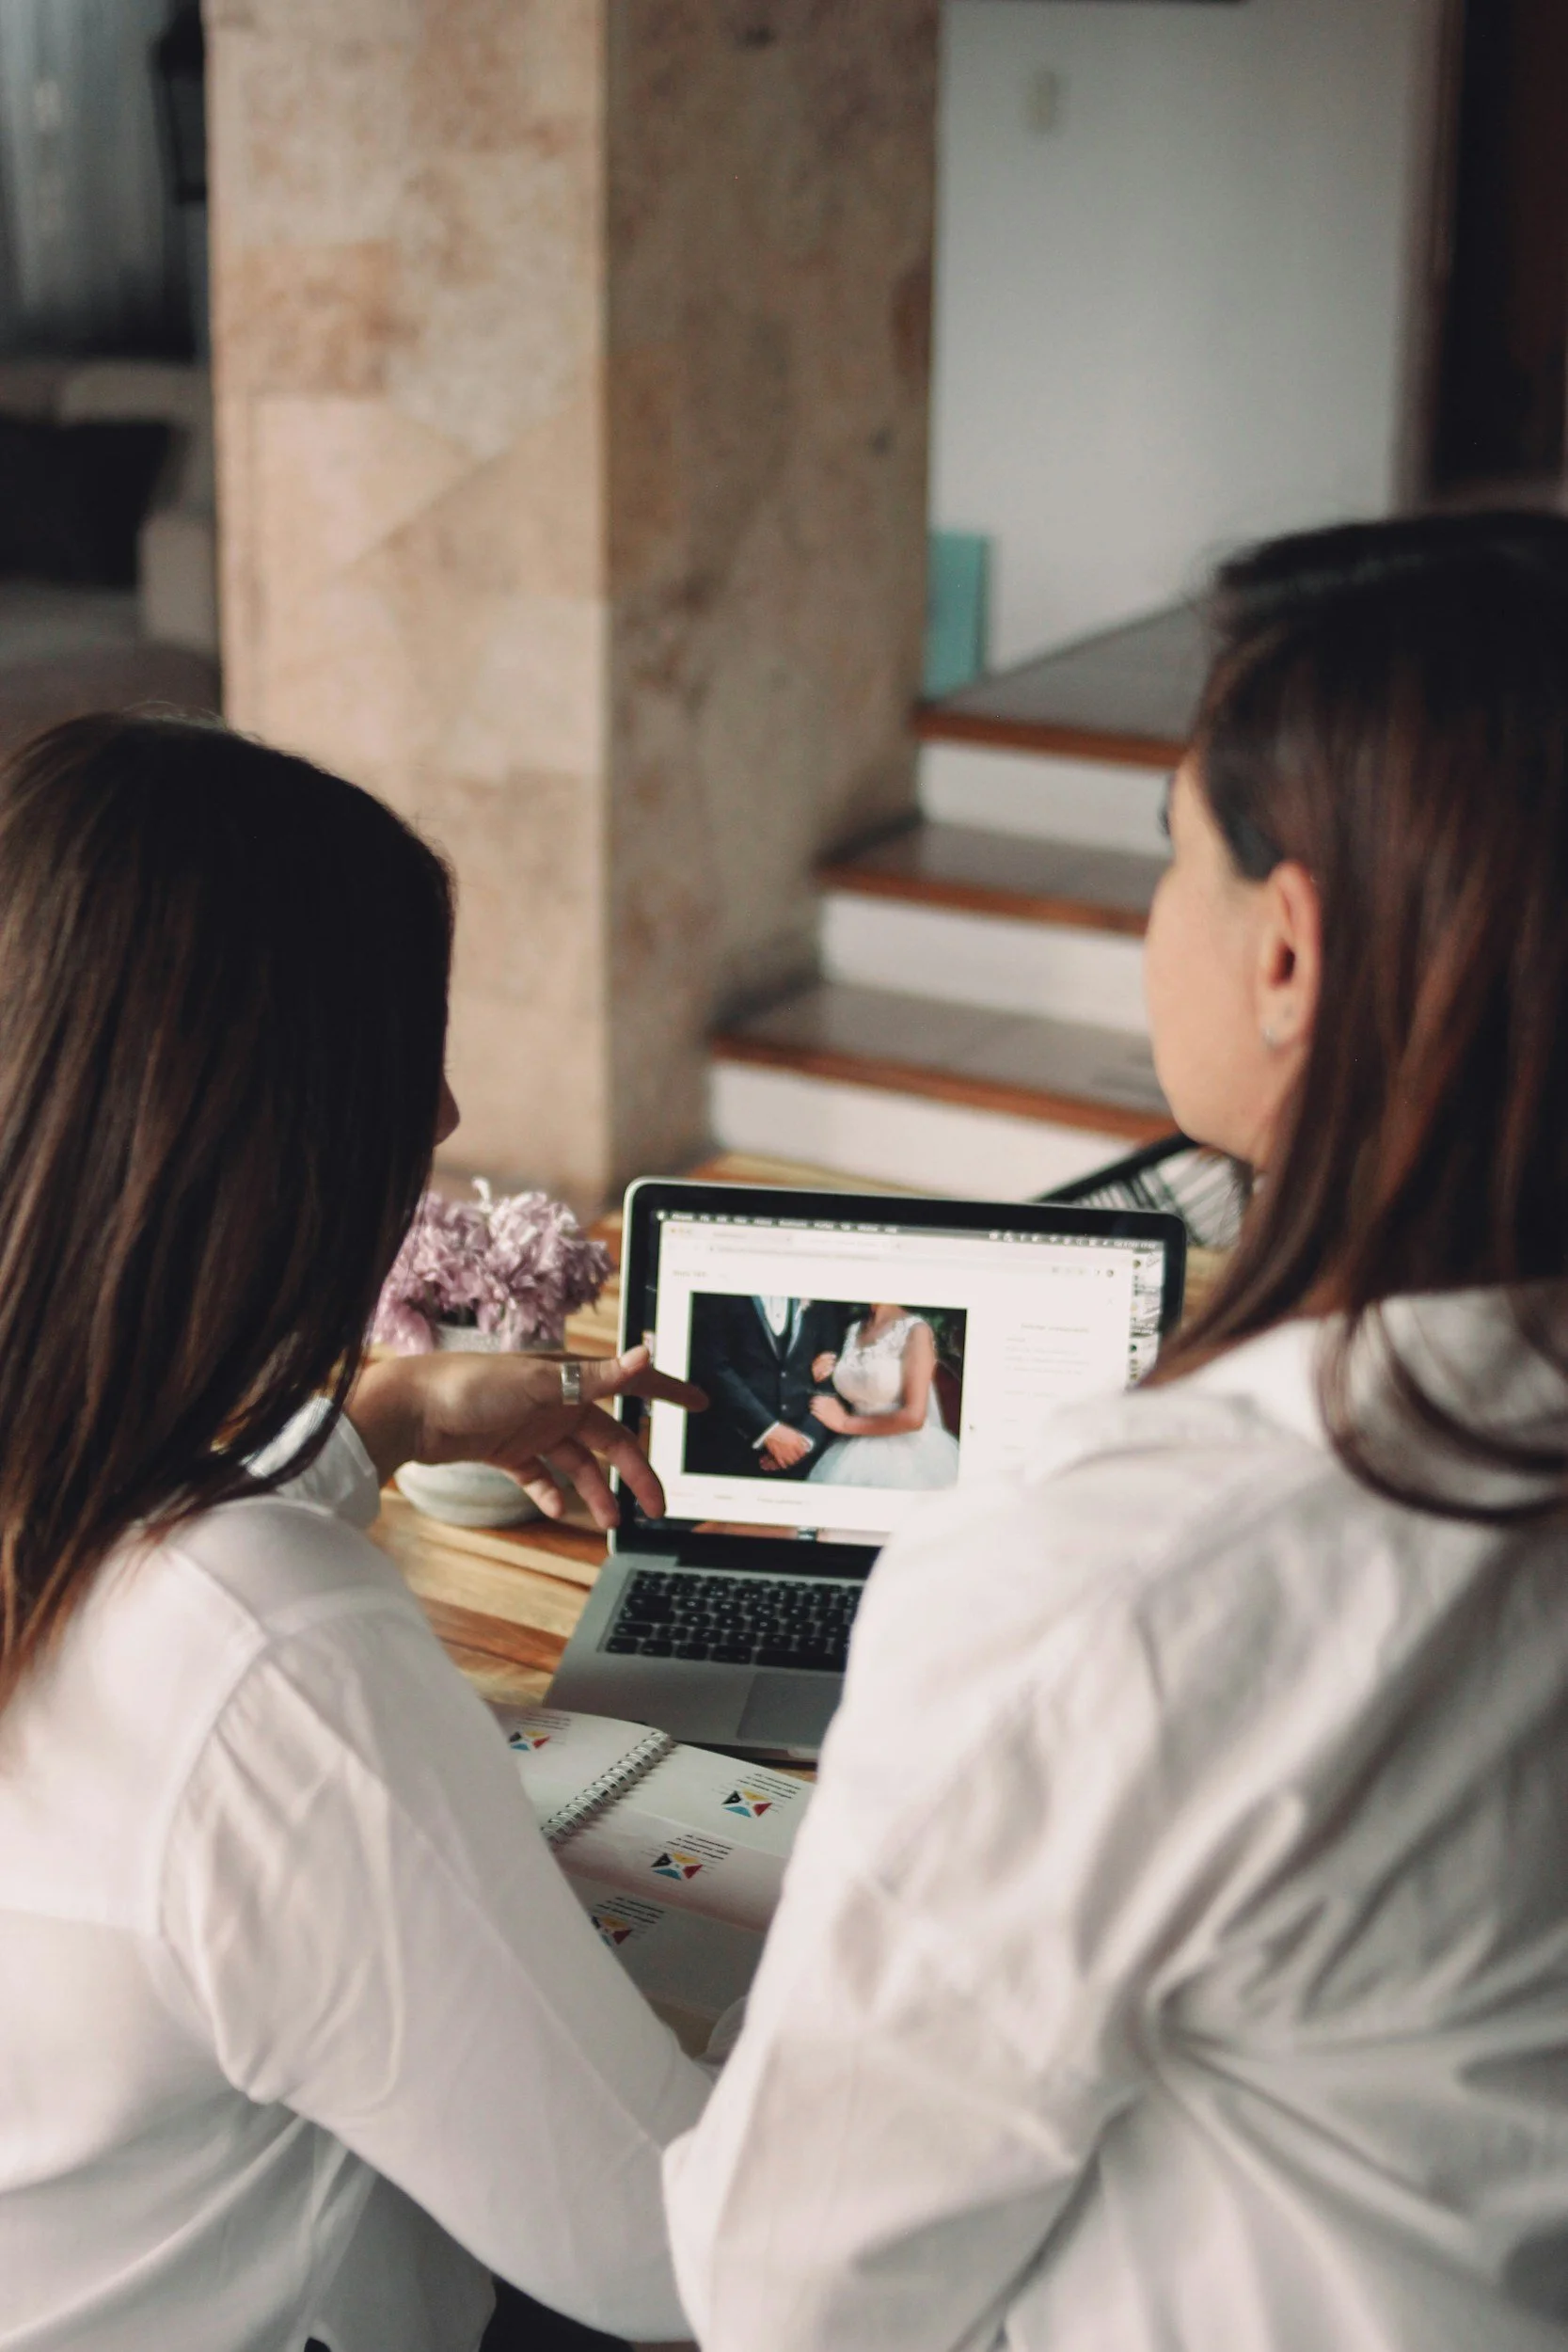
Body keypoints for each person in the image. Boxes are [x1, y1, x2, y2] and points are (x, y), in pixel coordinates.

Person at [664, 512, 1568, 2351]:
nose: (1142, 917)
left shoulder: (1137, 1564)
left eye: (1164, 856)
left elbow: (782, 2287)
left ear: (1287, 952)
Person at [0, 714, 711, 2352]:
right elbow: (669, 2249)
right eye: (409, 1046)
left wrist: (375, 1423)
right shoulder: (270, 1657)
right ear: (265, 1119)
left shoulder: (99, 1532)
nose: (446, 1110)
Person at [684, 1295, 847, 1480]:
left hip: (804, 1459)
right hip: (729, 1449)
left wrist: (804, 1443)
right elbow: (712, 1365)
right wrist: (767, 1430)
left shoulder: (821, 1300)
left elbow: (830, 1375)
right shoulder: (720, 1298)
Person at [805, 1305, 959, 1489]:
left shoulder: (916, 1330)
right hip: (851, 1450)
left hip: (906, 1453)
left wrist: (845, 1423)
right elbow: (855, 1385)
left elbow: (914, 1418)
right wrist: (817, 1373)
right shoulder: (853, 1329)